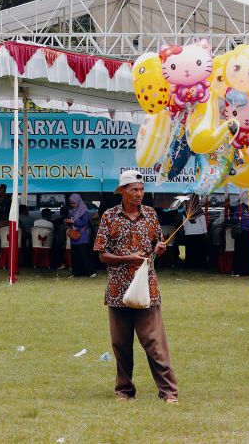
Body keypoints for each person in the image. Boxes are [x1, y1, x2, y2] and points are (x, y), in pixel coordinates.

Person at [93, 170, 178, 404]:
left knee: (154, 341)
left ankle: (169, 392)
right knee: (120, 344)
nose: (139, 194)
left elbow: (155, 247)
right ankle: (124, 390)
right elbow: (102, 255)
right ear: (122, 191)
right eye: (134, 190)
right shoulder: (109, 217)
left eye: (141, 190)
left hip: (146, 286)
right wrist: (127, 258)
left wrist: (159, 250)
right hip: (118, 290)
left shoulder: (150, 215)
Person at [67, 193, 95, 278]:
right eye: (71, 203)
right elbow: (72, 222)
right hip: (74, 235)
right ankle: (76, 273)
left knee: (84, 254)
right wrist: (69, 222)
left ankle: (90, 272)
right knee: (75, 255)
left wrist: (73, 222)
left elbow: (84, 223)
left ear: (78, 202)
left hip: (82, 235)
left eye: (73, 203)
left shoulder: (84, 211)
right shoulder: (72, 211)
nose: (72, 205)